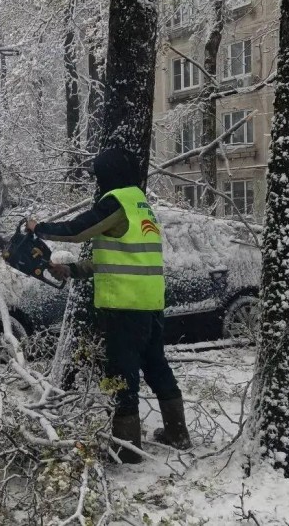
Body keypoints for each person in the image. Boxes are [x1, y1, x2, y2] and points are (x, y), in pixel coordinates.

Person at [27, 146, 191, 463]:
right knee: (157, 366)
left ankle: (126, 449)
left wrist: (40, 228)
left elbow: (78, 230)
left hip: (125, 307)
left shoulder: (116, 203)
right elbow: (119, 260)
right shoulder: (140, 205)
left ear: (106, 175)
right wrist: (73, 270)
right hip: (150, 303)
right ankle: (177, 432)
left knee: (120, 373)